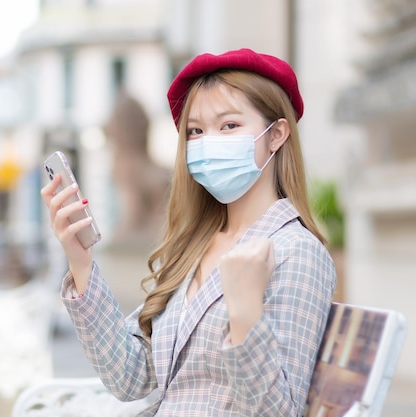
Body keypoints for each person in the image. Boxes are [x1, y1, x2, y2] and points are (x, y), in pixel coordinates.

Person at [41, 48, 337, 416]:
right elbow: (129, 376)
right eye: (195, 131)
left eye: (229, 125)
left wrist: (245, 314)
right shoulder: (195, 245)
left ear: (276, 135)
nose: (208, 142)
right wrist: (80, 261)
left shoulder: (297, 252)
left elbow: (277, 412)